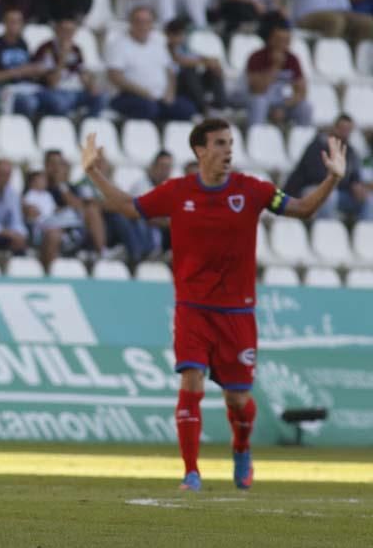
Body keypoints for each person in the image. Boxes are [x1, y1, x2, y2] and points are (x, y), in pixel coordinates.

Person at [79, 118, 347, 492]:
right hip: (192, 308)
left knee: (238, 400)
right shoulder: (178, 192)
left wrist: (332, 178)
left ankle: (241, 448)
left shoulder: (252, 190)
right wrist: (93, 173)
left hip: (237, 314)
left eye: (230, 143)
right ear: (200, 150)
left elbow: (301, 209)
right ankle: (191, 472)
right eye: (219, 143)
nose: (228, 151)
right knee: (191, 380)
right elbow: (128, 207)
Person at [106, 6, 195, 122]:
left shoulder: (158, 42)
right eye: (139, 21)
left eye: (147, 22)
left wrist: (170, 93)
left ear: (152, 24)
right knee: (149, 108)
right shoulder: (119, 44)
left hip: (160, 97)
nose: (143, 26)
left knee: (187, 108)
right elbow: (115, 76)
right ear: (131, 23)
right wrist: (143, 92)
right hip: (129, 96)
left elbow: (170, 71)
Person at [284, 114, 371, 220]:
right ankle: (326, 231)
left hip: (340, 192)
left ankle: (365, 233)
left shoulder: (350, 151)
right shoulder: (318, 146)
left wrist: (357, 186)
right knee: (330, 196)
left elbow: (354, 176)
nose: (345, 133)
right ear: (334, 128)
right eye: (342, 129)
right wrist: (347, 183)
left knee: (369, 201)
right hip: (310, 189)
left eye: (348, 130)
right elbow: (316, 176)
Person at [244, 16, 312, 127]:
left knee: (305, 107)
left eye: (287, 40)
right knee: (259, 102)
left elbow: (301, 91)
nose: (284, 44)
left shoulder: (292, 59)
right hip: (259, 100)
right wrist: (275, 67)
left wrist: (284, 107)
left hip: (282, 103)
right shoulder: (257, 57)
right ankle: (256, 135)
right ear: (270, 39)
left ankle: (303, 138)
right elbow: (257, 89)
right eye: (280, 40)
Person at [33, 17, 107, 117]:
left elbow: (82, 73)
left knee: (101, 97)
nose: (68, 34)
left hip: (75, 91)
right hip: (52, 92)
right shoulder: (46, 49)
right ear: (57, 30)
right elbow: (52, 83)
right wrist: (62, 58)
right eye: (65, 30)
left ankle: (86, 127)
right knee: (61, 103)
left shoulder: (76, 49)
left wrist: (90, 85)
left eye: (71, 31)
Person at [0, 9, 43, 118]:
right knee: (29, 103)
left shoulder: (22, 44)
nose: (15, 25)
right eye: (12, 21)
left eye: (18, 22)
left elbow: (25, 72)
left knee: (50, 99)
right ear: (4, 23)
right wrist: (17, 72)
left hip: (20, 88)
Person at [165, 17, 226, 114]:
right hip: (175, 83)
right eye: (177, 35)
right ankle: (203, 107)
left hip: (189, 83)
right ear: (169, 35)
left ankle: (221, 105)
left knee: (214, 69)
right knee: (189, 71)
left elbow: (199, 58)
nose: (180, 38)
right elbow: (179, 60)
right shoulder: (166, 48)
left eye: (181, 34)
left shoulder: (184, 48)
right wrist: (203, 62)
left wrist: (211, 62)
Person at [22, 170, 62, 269]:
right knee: (53, 234)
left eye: (45, 180)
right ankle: (47, 267)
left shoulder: (47, 195)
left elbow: (53, 211)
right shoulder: (29, 196)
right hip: (38, 229)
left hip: (52, 224)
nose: (44, 182)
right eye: (41, 179)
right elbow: (32, 216)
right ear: (32, 182)